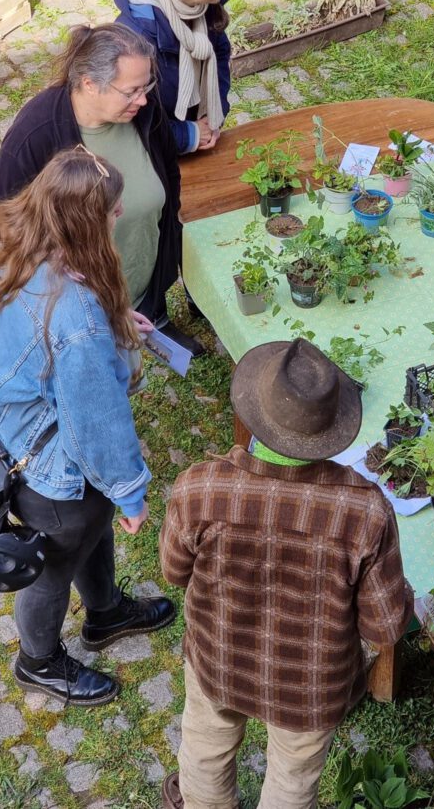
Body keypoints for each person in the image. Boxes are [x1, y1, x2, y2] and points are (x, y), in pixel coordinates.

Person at [159, 338, 413, 809]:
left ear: (255, 412)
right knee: (294, 776)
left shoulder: (199, 487)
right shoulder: (366, 512)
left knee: (205, 748)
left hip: (219, 659)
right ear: (330, 431)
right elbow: (385, 626)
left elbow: (174, 571)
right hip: (311, 685)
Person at [0, 148, 175, 706]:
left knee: (89, 532)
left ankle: (104, 614)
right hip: (54, 471)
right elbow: (97, 424)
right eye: (113, 209)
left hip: (23, 430)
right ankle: (39, 660)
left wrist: (119, 322)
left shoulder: (22, 243)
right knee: (52, 569)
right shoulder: (72, 317)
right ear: (84, 221)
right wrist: (131, 495)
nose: (119, 215)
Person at [0, 22, 202, 353]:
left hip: (140, 254)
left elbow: (169, 170)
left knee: (145, 297)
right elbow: (6, 219)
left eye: (146, 84)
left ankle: (154, 315)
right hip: (82, 291)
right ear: (90, 84)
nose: (144, 98)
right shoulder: (34, 136)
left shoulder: (145, 112)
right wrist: (49, 262)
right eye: (132, 91)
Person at [115, 0, 231, 155]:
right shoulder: (134, 40)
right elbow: (130, 121)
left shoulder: (201, 1)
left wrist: (214, 115)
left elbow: (220, 53)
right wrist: (188, 135)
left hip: (200, 132)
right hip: (157, 151)